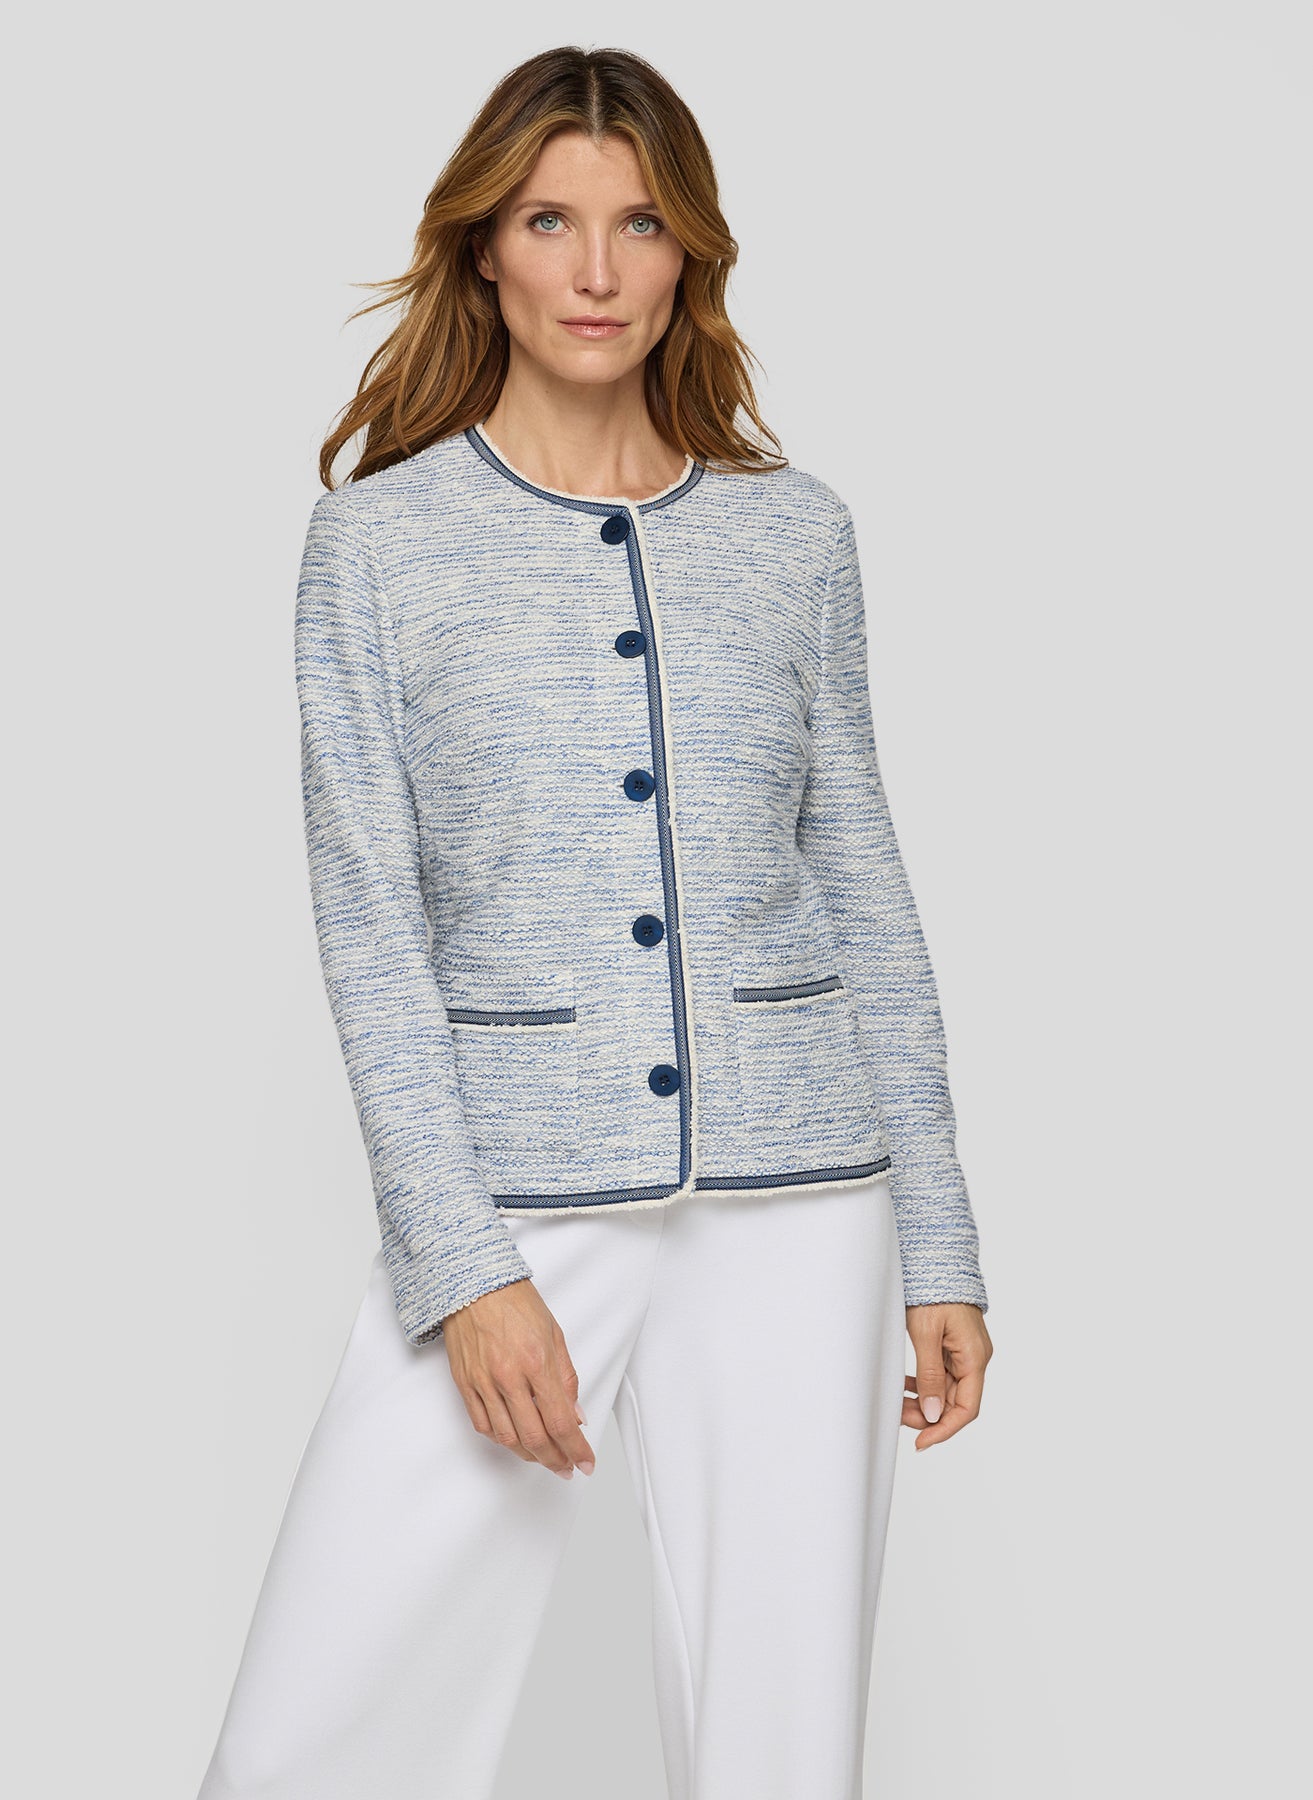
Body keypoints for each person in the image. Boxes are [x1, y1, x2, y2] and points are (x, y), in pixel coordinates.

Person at [195, 43, 993, 1800]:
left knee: (781, 1742)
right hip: (515, 1191)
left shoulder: (794, 537)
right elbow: (370, 929)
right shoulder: (377, 549)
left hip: (801, 1195)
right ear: (484, 246)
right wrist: (465, 1268)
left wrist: (937, 1239)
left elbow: (864, 880)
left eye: (638, 223)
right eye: (550, 221)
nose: (595, 269)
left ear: (689, 249)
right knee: (311, 1737)